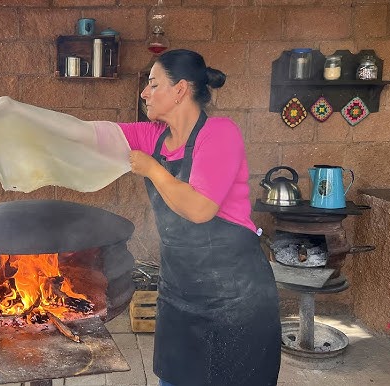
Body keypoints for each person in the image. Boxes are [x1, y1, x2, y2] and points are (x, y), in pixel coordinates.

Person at [117, 49, 281, 385]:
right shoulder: (154, 136)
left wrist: (152, 169)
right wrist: (28, 122)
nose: (144, 93)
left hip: (236, 300)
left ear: (180, 90)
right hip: (179, 295)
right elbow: (94, 135)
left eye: (153, 84)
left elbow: (199, 209)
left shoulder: (220, 133)